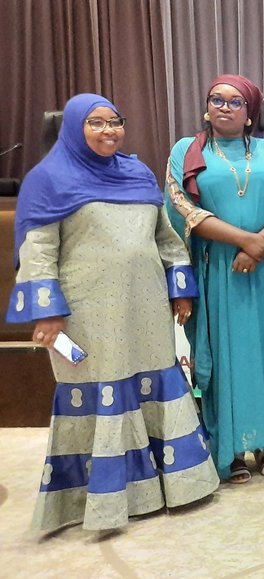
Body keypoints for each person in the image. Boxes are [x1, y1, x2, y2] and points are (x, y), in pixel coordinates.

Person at [7, 93, 218, 532]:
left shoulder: (137, 173)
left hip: (146, 308)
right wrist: (48, 314)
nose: (109, 131)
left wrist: (180, 288)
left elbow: (165, 237)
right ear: (73, 128)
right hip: (86, 314)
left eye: (115, 122)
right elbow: (38, 251)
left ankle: (175, 488)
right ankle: (105, 500)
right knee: (101, 389)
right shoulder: (47, 179)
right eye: (96, 123)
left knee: (155, 382)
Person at [165, 74, 264, 483]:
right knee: (225, 358)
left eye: (235, 101)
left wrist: (260, 247)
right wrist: (247, 241)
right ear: (207, 108)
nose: (224, 107)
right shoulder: (185, 151)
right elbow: (182, 207)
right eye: (217, 100)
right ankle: (231, 449)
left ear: (250, 114)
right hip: (216, 271)